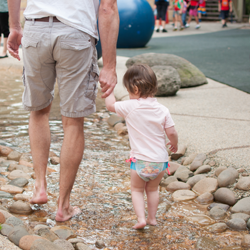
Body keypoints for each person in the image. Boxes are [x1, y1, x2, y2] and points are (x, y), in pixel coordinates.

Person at [7, 0, 119, 222]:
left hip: (36, 28)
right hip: (76, 32)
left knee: (38, 111)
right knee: (73, 122)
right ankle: (63, 206)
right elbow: (108, 8)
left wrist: (15, 27)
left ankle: (40, 187)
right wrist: (109, 66)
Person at [105, 64, 178, 229]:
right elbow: (172, 132)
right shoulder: (163, 110)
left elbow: (110, 106)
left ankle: (141, 219)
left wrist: (109, 88)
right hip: (160, 163)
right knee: (153, 190)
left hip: (140, 162)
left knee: (137, 190)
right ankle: (152, 218)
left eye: (128, 90)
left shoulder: (130, 106)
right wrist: (174, 144)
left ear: (136, 89)